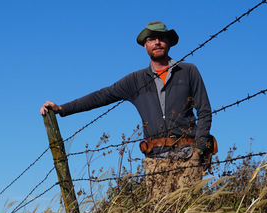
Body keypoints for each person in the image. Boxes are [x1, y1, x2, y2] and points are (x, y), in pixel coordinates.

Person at [40, 21, 214, 197]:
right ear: (145, 45)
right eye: (151, 39)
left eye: (161, 38)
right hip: (155, 160)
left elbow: (204, 111)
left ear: (168, 42)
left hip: (187, 156)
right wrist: (62, 108)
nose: (157, 42)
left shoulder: (188, 71)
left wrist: (198, 152)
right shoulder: (135, 80)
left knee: (190, 212)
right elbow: (102, 95)